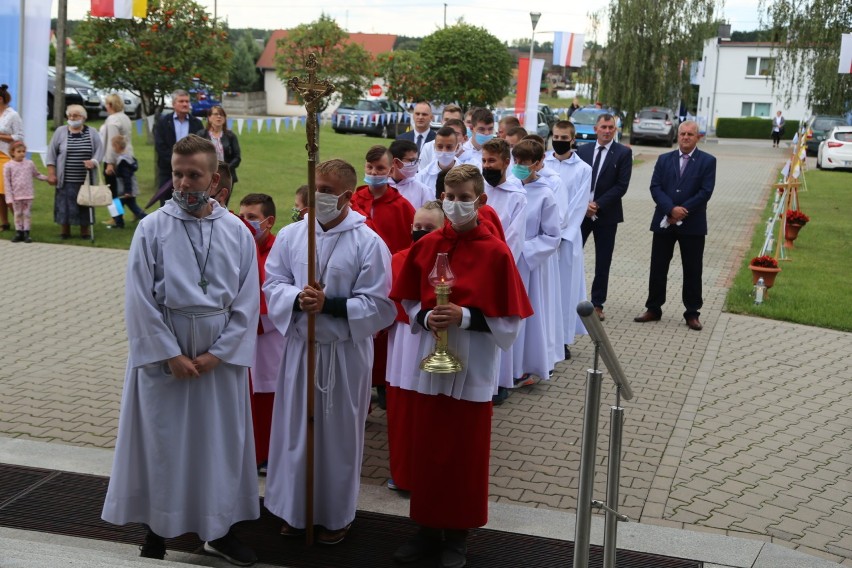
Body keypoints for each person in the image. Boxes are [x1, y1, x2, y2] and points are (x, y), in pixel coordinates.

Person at [102, 134, 261, 566]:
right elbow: (139, 298)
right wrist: (169, 354)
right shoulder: (152, 228)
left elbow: (247, 301)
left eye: (195, 175)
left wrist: (219, 353)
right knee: (163, 443)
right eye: (177, 174)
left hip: (217, 358)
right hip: (166, 354)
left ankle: (220, 528)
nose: (185, 183)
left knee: (218, 444)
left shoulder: (236, 232)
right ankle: (156, 529)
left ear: (214, 180)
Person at [390, 164, 532, 568]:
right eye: (449, 198)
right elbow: (407, 297)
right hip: (430, 365)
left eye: (463, 199)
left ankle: (458, 534)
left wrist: (464, 317)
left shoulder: (496, 252)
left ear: (480, 201)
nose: (454, 206)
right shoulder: (427, 244)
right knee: (429, 448)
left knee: (464, 453)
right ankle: (425, 527)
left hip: (472, 364)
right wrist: (424, 317)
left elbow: (510, 322)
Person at [263, 158, 396, 545]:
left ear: (347, 195)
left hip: (343, 354)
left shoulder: (368, 242)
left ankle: (336, 515)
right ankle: (293, 509)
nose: (317, 195)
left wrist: (331, 305)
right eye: (315, 187)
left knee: (336, 437)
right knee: (295, 431)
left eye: (326, 190)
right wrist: (295, 296)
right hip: (301, 349)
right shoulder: (292, 235)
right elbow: (272, 283)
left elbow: (381, 305)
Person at [385, 200, 445, 492]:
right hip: (403, 340)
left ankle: (424, 474)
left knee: (428, 408)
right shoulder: (398, 259)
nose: (421, 232)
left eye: (429, 228)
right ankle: (401, 472)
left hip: (433, 339)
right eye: (417, 227)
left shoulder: (448, 262)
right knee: (401, 407)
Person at [634, 121, 716, 331]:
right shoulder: (664, 159)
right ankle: (653, 308)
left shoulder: (708, 161)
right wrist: (670, 209)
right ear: (677, 136)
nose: (686, 137)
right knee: (658, 267)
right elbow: (655, 187)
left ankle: (692, 312)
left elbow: (705, 192)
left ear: (697, 137)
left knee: (692, 269)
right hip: (664, 221)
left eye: (690, 134)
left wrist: (682, 210)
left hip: (693, 224)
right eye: (682, 134)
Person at [351, 145, 416, 408]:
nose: (374, 173)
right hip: (356, 280)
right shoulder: (354, 201)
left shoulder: (402, 206)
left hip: (388, 280)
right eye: (370, 168)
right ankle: (361, 395)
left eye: (380, 169)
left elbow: (410, 246)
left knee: (385, 339)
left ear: (391, 169)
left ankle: (386, 386)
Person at [510, 140, 561, 386]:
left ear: (539, 163)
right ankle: (508, 365)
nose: (519, 166)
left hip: (530, 263)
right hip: (508, 259)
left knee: (529, 316)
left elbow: (552, 235)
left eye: (525, 162)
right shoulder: (509, 187)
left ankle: (526, 366)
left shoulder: (545, 193)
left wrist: (524, 249)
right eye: (516, 161)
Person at [480, 138, 527, 404]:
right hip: (477, 266)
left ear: (506, 163)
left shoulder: (517, 196)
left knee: (498, 323)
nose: (487, 166)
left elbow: (514, 238)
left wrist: (495, 261)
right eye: (484, 161)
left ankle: (499, 382)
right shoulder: (478, 191)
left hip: (499, 266)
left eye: (492, 161)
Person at [239, 193, 282, 474]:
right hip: (243, 337)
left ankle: (267, 455)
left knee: (269, 397)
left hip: (271, 338)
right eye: (241, 217)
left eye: (251, 218)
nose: (244, 223)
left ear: (269, 222)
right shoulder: (237, 247)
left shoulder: (280, 250)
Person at [576, 113, 633, 321]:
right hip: (580, 214)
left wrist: (597, 205)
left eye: (611, 127)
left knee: (603, 261)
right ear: (595, 129)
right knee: (573, 256)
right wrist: (583, 206)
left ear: (615, 130)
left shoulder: (623, 153)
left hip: (607, 215)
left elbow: (621, 186)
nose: (607, 131)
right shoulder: (583, 151)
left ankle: (598, 304)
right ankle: (572, 296)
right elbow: (576, 181)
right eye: (604, 127)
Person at [543, 121, 592, 359]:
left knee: (564, 290)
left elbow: (579, 206)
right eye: (556, 135)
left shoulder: (583, 169)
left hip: (566, 240)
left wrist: (561, 234)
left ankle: (562, 340)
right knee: (544, 290)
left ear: (573, 140)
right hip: (542, 238)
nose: (559, 140)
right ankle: (543, 337)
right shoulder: (543, 163)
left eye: (564, 137)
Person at [46, 105, 104, 241]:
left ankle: (85, 231)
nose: (72, 118)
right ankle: (65, 230)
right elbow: (51, 154)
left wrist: (93, 162)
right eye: (70, 115)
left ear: (84, 117)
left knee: (84, 203)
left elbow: (100, 151)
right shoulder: (60, 132)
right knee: (64, 203)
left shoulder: (92, 132)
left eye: (76, 115)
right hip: (65, 177)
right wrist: (51, 173)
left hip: (86, 177)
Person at [154, 89, 203, 204]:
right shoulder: (163, 122)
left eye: (187, 101)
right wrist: (175, 162)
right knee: (166, 203)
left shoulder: (196, 123)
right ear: (173, 104)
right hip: (167, 170)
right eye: (181, 101)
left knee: (189, 203)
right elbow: (160, 146)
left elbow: (201, 146)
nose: (185, 104)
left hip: (191, 171)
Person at [101, 93, 134, 228]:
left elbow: (112, 142)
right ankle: (129, 213)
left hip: (115, 159)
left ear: (110, 105)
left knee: (113, 191)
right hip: (127, 156)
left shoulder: (113, 119)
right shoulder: (125, 117)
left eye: (106, 104)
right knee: (123, 188)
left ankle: (116, 217)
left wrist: (109, 162)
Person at [3, 141, 48, 243]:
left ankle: (27, 232)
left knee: (26, 214)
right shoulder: (8, 166)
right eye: (19, 151)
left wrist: (47, 178)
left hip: (27, 194)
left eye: (23, 151)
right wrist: (9, 197)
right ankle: (19, 232)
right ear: (12, 152)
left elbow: (37, 174)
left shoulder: (29, 163)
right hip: (16, 195)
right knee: (17, 213)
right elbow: (7, 182)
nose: (22, 153)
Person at [0, 84, 25, 232]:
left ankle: (21, 222)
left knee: (7, 192)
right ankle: (4, 222)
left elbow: (19, 137)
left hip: (6, 156)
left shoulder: (12, 115)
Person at [198, 106, 241, 189]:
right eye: (216, 114)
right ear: (209, 118)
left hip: (226, 176)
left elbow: (237, 157)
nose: (219, 116)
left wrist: (225, 168)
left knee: (223, 201)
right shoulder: (201, 135)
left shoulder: (231, 136)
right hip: (207, 175)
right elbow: (196, 155)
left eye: (222, 115)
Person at [111, 135, 147, 223]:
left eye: (113, 146)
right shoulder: (128, 158)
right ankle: (119, 223)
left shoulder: (123, 161)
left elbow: (127, 177)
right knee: (124, 205)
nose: (112, 148)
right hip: (127, 189)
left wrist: (128, 191)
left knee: (122, 205)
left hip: (125, 190)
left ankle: (148, 219)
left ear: (117, 146)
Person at [388, 139, 433, 209]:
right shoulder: (381, 187)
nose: (415, 164)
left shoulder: (423, 190)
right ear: (396, 162)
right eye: (411, 160)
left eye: (416, 160)